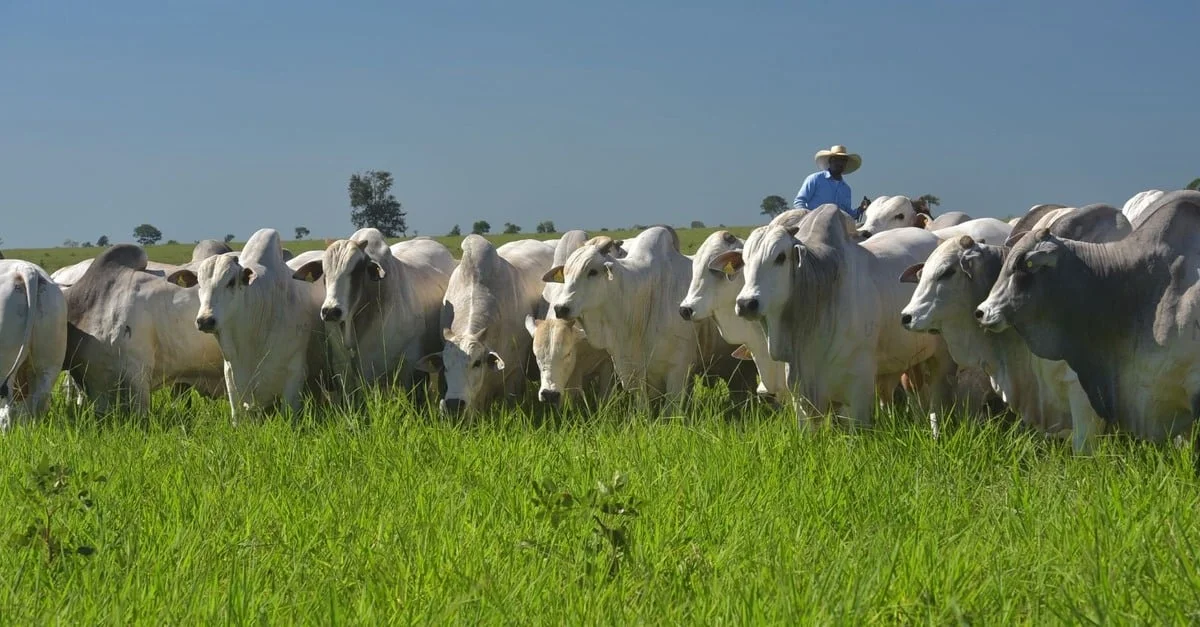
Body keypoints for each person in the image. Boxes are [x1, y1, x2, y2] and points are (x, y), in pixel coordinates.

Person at [792, 145, 863, 220]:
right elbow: (799, 201)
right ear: (830, 161)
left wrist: (860, 209)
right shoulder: (815, 179)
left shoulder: (846, 189)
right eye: (837, 159)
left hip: (836, 228)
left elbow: (847, 214)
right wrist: (808, 218)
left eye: (843, 160)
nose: (840, 163)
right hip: (813, 224)